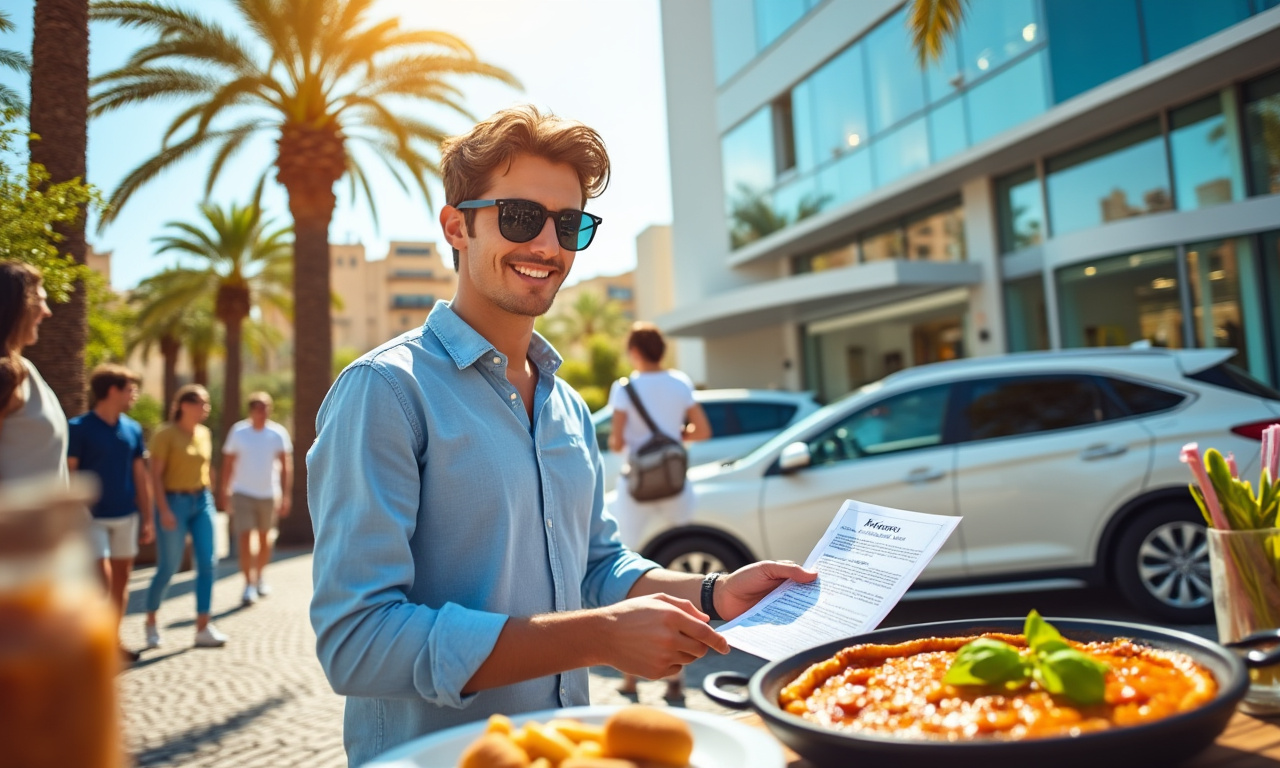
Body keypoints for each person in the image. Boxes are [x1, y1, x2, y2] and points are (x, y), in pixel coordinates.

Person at [307, 105, 815, 766]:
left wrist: (715, 594)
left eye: (568, 224)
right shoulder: (384, 391)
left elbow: (596, 566)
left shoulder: (568, 405)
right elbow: (356, 643)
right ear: (456, 226)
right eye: (520, 217)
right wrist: (598, 637)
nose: (548, 245)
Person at [606, 323, 713, 701]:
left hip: (637, 490)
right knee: (677, 574)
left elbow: (616, 441)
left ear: (635, 352)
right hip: (675, 488)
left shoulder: (624, 388)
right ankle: (677, 678)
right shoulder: (679, 381)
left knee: (627, 578)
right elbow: (702, 431)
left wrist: (638, 441)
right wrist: (672, 436)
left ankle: (630, 678)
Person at [68, 364, 154, 663]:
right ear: (112, 390)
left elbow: (140, 474)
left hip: (127, 515)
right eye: (130, 389)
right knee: (101, 580)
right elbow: (70, 473)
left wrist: (148, 517)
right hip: (91, 518)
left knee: (121, 580)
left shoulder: (133, 429)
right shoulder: (78, 428)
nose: (135, 395)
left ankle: (113, 642)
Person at [144, 384, 227, 649]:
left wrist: (215, 496)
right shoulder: (164, 434)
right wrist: (163, 510)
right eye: (201, 403)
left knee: (208, 563)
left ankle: (203, 627)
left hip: (202, 501)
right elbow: (154, 476)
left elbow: (207, 467)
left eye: (207, 403)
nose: (206, 408)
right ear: (184, 405)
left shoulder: (204, 433)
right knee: (169, 567)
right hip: (173, 502)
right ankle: (151, 621)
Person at [0, 262, 69, 487]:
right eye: (40, 300)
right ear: (18, 307)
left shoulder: (24, 369)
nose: (47, 312)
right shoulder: (2, 376)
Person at [219, 391, 292, 606]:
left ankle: (260, 577)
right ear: (251, 410)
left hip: (269, 493)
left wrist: (286, 495)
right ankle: (248, 584)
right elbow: (228, 463)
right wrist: (224, 491)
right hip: (242, 492)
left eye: (267, 407)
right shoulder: (238, 432)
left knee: (264, 538)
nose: (263, 411)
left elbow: (286, 466)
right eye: (259, 407)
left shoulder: (278, 433)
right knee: (244, 537)